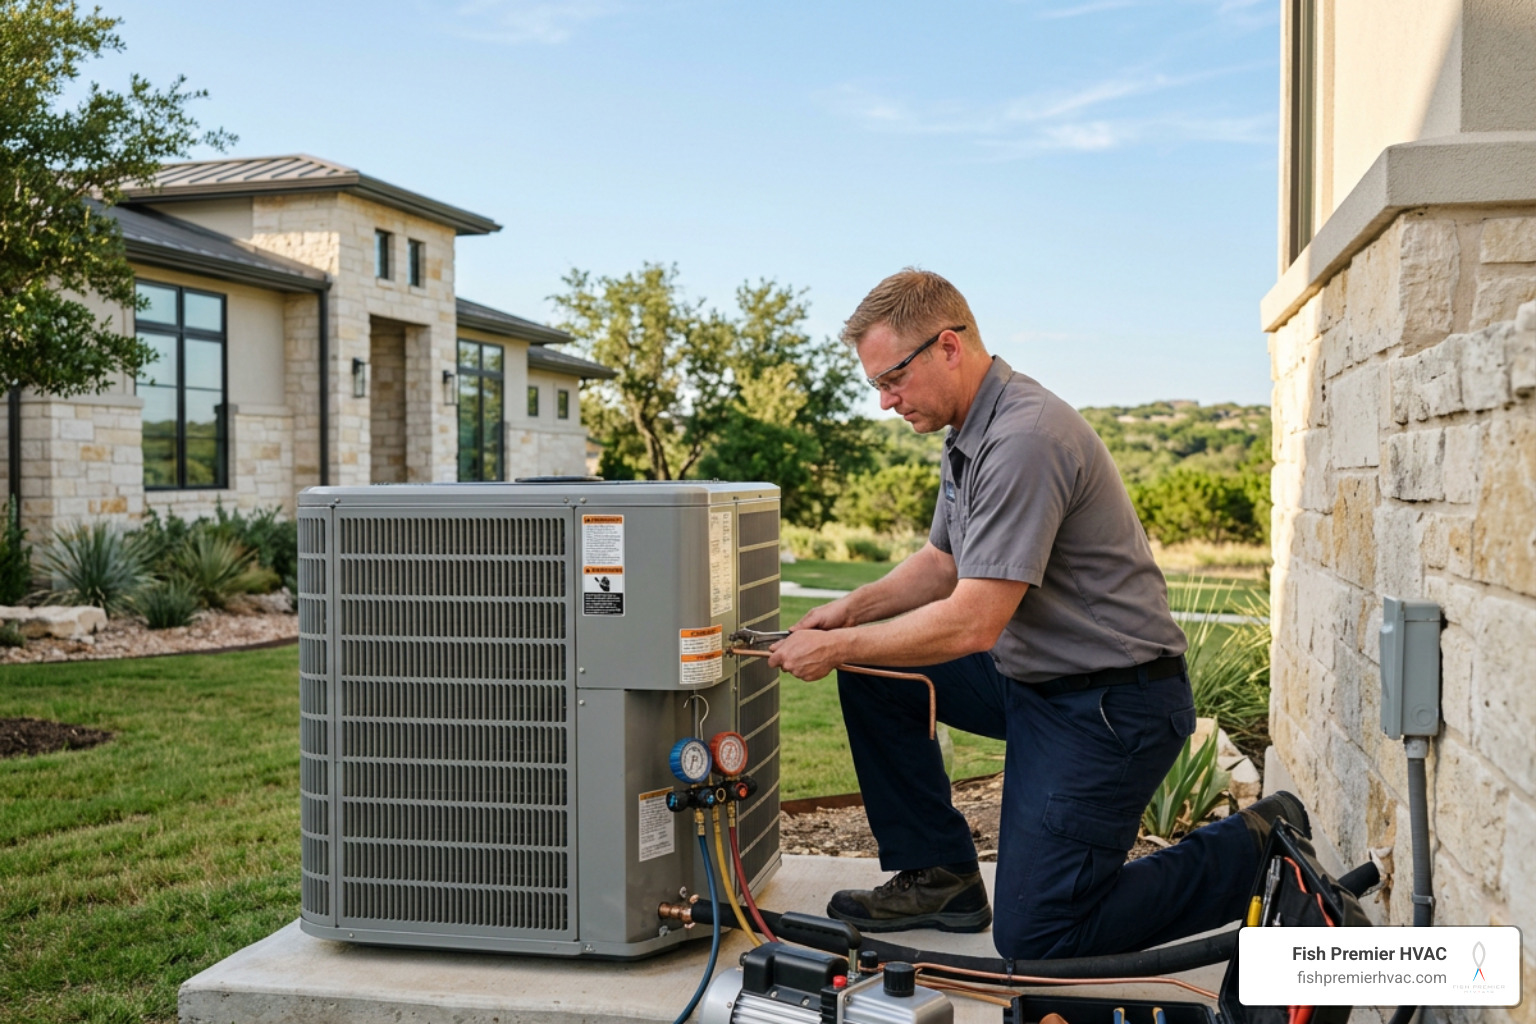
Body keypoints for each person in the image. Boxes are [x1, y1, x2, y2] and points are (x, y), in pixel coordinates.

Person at [767, 268, 1306, 960]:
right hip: (1033, 680)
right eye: (876, 384)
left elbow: (972, 622)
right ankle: (942, 876)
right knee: (875, 666)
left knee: (1039, 937)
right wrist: (844, 618)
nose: (883, 401)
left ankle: (1255, 849)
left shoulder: (1024, 438)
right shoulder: (968, 433)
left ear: (949, 346)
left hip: (1110, 707)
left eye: (892, 379)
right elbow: (943, 562)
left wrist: (834, 648)